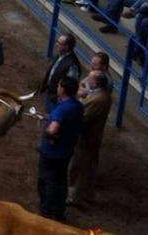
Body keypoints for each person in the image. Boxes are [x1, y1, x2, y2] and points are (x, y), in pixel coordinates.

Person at [37, 76, 83, 223]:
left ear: (63, 90)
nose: (57, 88)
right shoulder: (77, 106)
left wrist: (47, 135)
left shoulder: (61, 109)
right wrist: (48, 117)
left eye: (58, 86)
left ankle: (46, 212)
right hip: (66, 151)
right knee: (61, 181)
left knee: (46, 181)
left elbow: (54, 128)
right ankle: (58, 212)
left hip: (52, 152)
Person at [68, 69, 111, 206]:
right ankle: (86, 194)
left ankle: (73, 197)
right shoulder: (100, 95)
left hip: (87, 138)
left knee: (78, 167)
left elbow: (84, 118)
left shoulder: (98, 99)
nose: (87, 80)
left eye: (90, 79)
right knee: (87, 168)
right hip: (91, 137)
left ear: (95, 82)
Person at [41, 33, 82, 112]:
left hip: (57, 99)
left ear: (67, 47)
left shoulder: (72, 64)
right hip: (51, 93)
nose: (56, 44)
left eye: (60, 43)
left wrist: (60, 98)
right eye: (57, 41)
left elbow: (70, 86)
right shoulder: (60, 55)